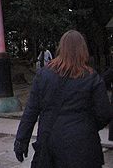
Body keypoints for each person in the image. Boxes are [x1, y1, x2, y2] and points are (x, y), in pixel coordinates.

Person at [14, 30, 113, 167]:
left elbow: (31, 111)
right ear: (83, 50)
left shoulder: (43, 75)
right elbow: (105, 113)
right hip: (84, 143)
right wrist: (87, 125)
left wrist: (21, 140)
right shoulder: (92, 78)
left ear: (61, 48)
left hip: (50, 140)